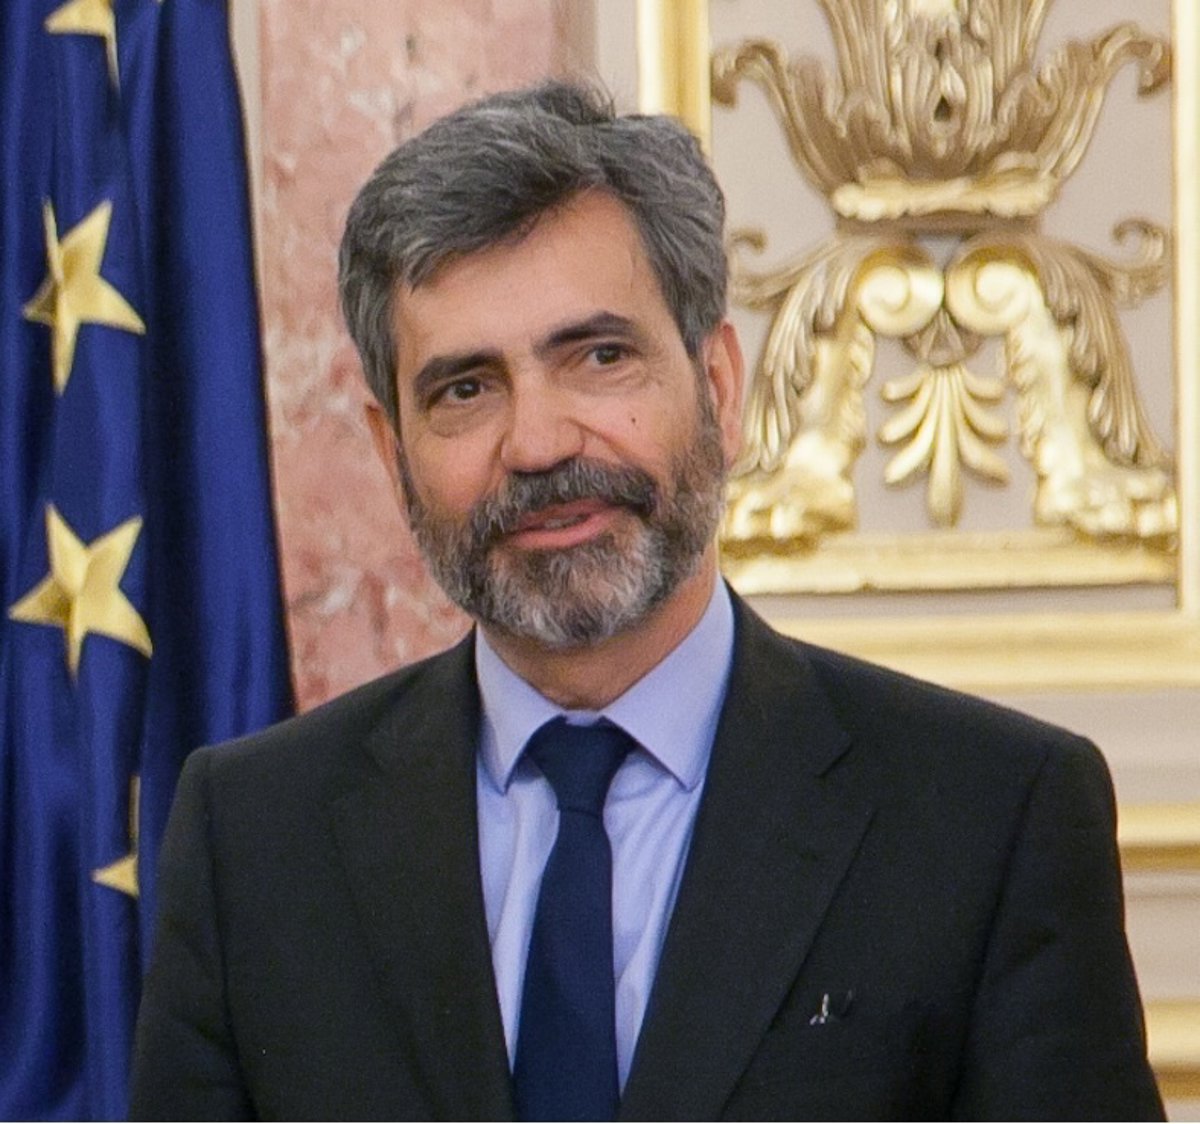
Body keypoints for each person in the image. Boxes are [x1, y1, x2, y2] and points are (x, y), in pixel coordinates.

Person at [130, 81, 1163, 1121]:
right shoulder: (254, 839)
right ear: (392, 452)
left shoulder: (990, 818)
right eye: (465, 389)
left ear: (719, 388)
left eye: (600, 357)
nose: (539, 443)